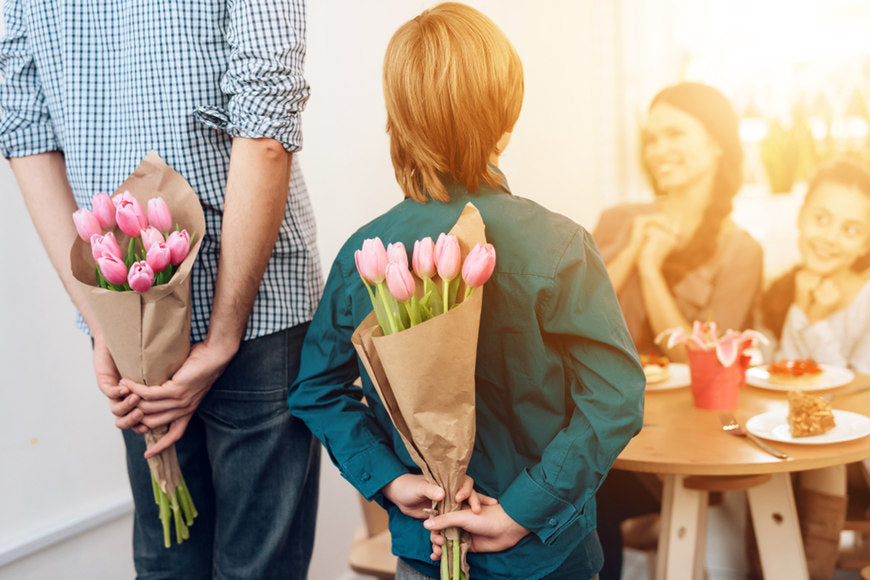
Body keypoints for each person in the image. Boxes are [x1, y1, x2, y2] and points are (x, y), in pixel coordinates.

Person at [286, 3, 644, 579]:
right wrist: (520, 513)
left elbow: (316, 390)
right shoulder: (560, 246)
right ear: (508, 118)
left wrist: (394, 481)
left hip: (425, 548)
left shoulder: (368, 254)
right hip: (545, 555)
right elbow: (614, 399)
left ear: (396, 122)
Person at [0, 1, 322, 577]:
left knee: (167, 561)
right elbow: (267, 125)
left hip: (128, 327)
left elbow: (22, 134)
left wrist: (106, 325)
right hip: (260, 314)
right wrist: (222, 336)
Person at [591, 81, 764, 580]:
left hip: (690, 439)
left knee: (590, 494)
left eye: (675, 134)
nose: (659, 150)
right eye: (651, 138)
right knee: (580, 488)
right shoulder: (619, 219)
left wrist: (651, 270)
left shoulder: (740, 251)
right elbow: (570, 321)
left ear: (715, 143)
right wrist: (629, 254)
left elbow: (704, 364)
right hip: (609, 423)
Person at [759, 158, 870, 579]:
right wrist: (801, 311)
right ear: (801, 219)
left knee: (828, 449)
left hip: (862, 449)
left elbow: (859, 395)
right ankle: (774, 568)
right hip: (817, 445)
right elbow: (789, 378)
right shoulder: (794, 287)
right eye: (821, 219)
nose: (830, 238)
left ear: (865, 244)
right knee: (774, 446)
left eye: (851, 229)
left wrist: (819, 319)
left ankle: (809, 571)